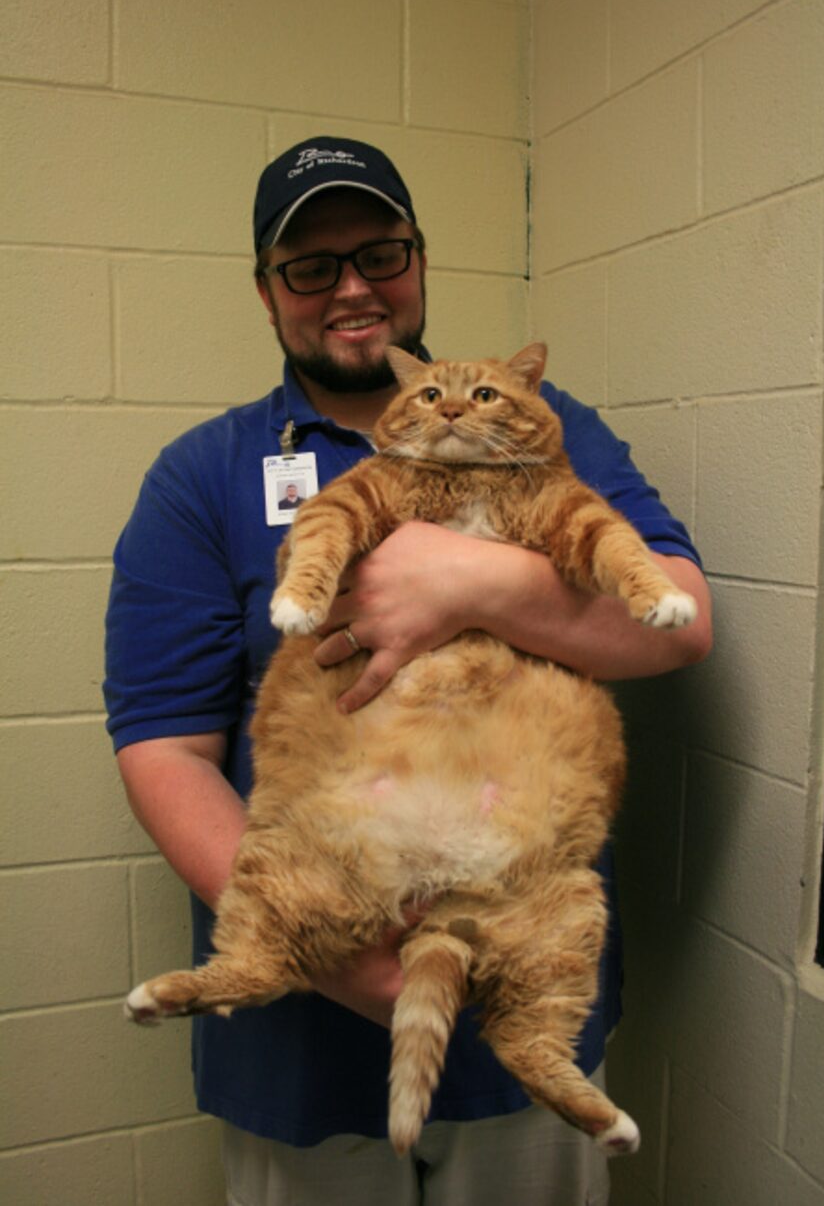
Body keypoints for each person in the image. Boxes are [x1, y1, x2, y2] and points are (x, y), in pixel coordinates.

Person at [104, 136, 712, 1206]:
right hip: (301, 1034)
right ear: (265, 292)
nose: (352, 287)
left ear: (418, 259)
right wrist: (347, 963)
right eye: (310, 265)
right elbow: (163, 743)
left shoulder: (537, 428)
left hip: (514, 979)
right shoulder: (201, 474)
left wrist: (469, 585)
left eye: (380, 251)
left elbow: (677, 623)